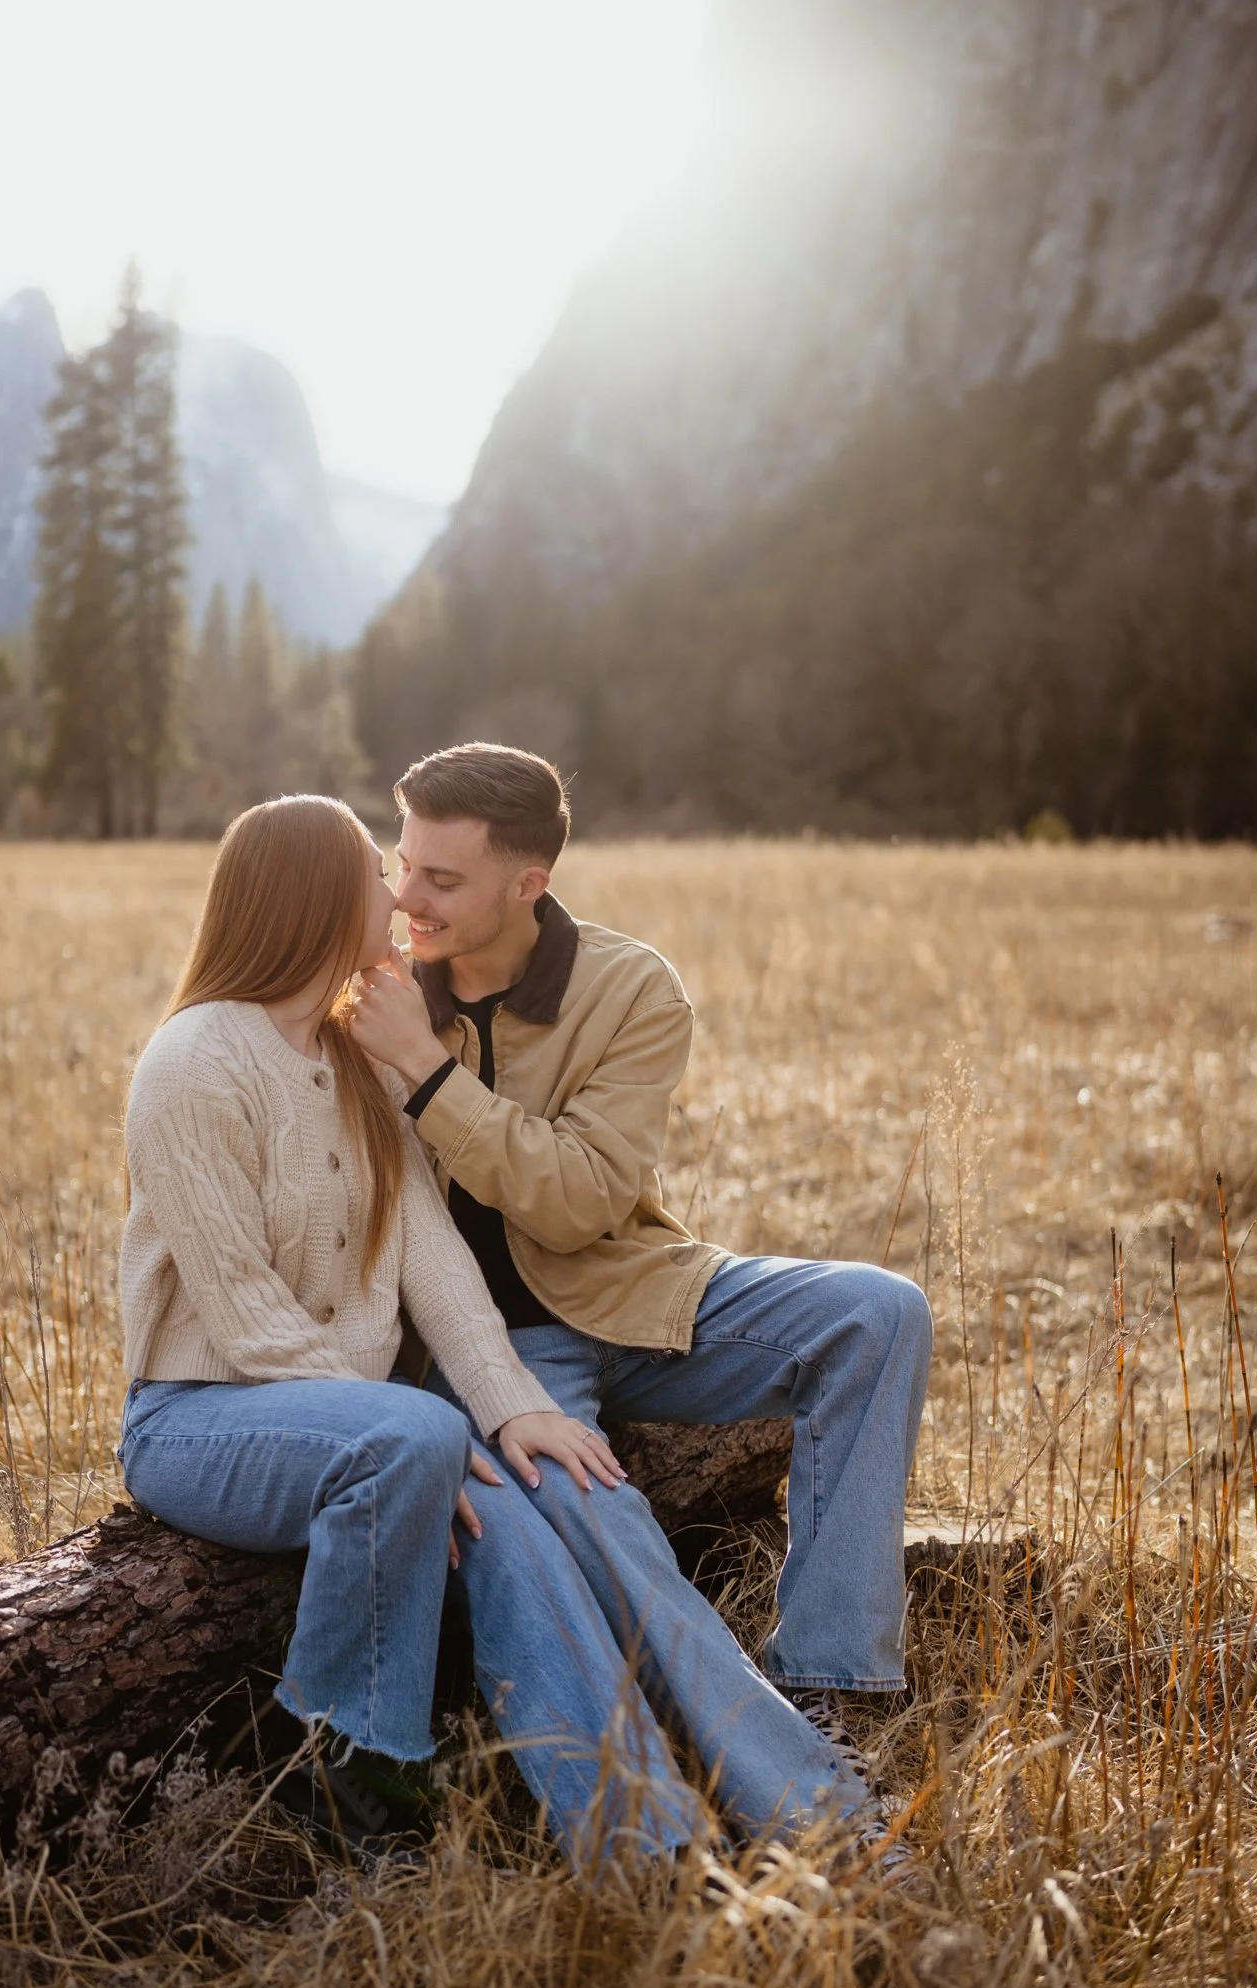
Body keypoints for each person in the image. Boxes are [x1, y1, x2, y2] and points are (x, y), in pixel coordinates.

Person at [117, 795, 865, 1871]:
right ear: (313, 900)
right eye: (377, 870)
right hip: (199, 1421)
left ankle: (652, 1846)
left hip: (362, 1434)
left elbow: (433, 1260)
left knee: (525, 1503)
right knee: (427, 1444)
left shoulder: (360, 1055)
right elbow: (245, 1320)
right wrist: (413, 1434)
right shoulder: (192, 1063)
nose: (396, 893)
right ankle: (354, 1792)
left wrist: (516, 1408)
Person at [347, 741, 933, 1789]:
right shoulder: (374, 987)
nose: (406, 896)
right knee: (591, 1507)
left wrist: (428, 1072)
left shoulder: (627, 989)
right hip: (488, 1350)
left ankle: (823, 1679)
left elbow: (579, 1203)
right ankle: (758, 1772)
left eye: (441, 878)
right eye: (401, 864)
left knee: (877, 1311)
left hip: (626, 1292)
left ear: (528, 884)